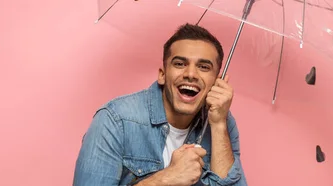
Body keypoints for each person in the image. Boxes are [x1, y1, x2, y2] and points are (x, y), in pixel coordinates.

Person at [73, 23, 247, 186]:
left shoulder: (222, 123)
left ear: (216, 82)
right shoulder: (115, 121)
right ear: (162, 74)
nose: (191, 74)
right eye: (180, 64)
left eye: (203, 67)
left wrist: (218, 124)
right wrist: (165, 179)